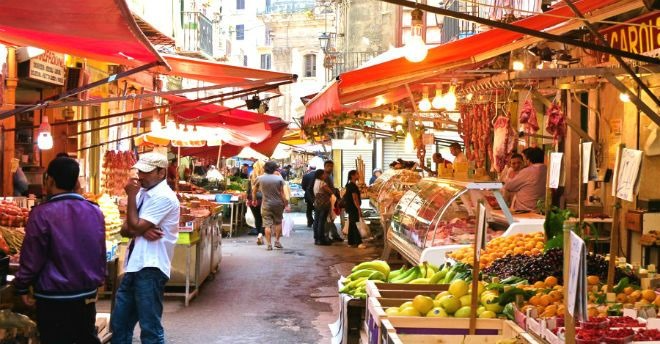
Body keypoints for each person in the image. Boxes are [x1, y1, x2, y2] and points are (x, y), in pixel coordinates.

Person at [14, 157, 106, 344]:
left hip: (53, 297)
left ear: (50, 180)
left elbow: (32, 257)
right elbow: (99, 251)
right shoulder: (95, 211)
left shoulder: (41, 213)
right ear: (76, 182)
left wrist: (22, 286)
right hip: (85, 295)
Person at [111, 152, 180, 344]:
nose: (140, 176)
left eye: (146, 172)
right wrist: (140, 229)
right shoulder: (143, 193)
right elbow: (126, 230)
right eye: (139, 171)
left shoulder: (164, 197)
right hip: (134, 266)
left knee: (150, 329)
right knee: (120, 325)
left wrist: (132, 199)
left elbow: (133, 226)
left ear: (161, 172)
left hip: (151, 267)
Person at [252, 161, 288, 250]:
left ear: (265, 168)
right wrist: (286, 203)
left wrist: (254, 200)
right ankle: (277, 241)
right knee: (278, 222)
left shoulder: (259, 178)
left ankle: (269, 244)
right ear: (275, 168)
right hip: (278, 204)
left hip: (266, 204)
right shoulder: (279, 179)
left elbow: (254, 190)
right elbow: (282, 193)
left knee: (267, 225)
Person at [504, 147, 547, 212]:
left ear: (529, 159)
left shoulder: (528, 171)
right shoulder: (546, 170)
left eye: (524, 158)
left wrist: (509, 177)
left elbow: (509, 186)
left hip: (525, 211)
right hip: (540, 210)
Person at [344, 170, 366, 248]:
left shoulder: (350, 185)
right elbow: (355, 198)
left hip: (350, 207)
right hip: (353, 207)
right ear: (352, 176)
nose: (359, 175)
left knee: (352, 223)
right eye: (357, 174)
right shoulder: (352, 186)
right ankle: (358, 242)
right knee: (355, 225)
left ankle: (351, 241)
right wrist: (358, 208)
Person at [322, 160, 342, 241]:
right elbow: (325, 188)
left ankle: (335, 235)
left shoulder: (329, 176)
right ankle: (326, 236)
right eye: (328, 166)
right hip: (327, 200)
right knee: (329, 218)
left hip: (330, 199)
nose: (330, 168)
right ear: (324, 167)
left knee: (331, 218)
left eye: (331, 166)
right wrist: (333, 193)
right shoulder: (324, 176)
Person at [312, 170, 333, 245]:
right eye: (324, 174)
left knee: (316, 220)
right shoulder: (322, 183)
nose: (326, 175)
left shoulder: (316, 181)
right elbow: (330, 192)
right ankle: (321, 239)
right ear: (321, 175)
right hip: (323, 203)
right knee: (322, 221)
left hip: (317, 202)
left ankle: (316, 238)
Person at [247, 161, 265, 242]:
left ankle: (259, 233)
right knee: (264, 217)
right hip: (264, 198)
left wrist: (247, 198)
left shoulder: (251, 174)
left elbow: (248, 188)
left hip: (252, 198)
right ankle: (262, 232)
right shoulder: (265, 176)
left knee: (257, 217)